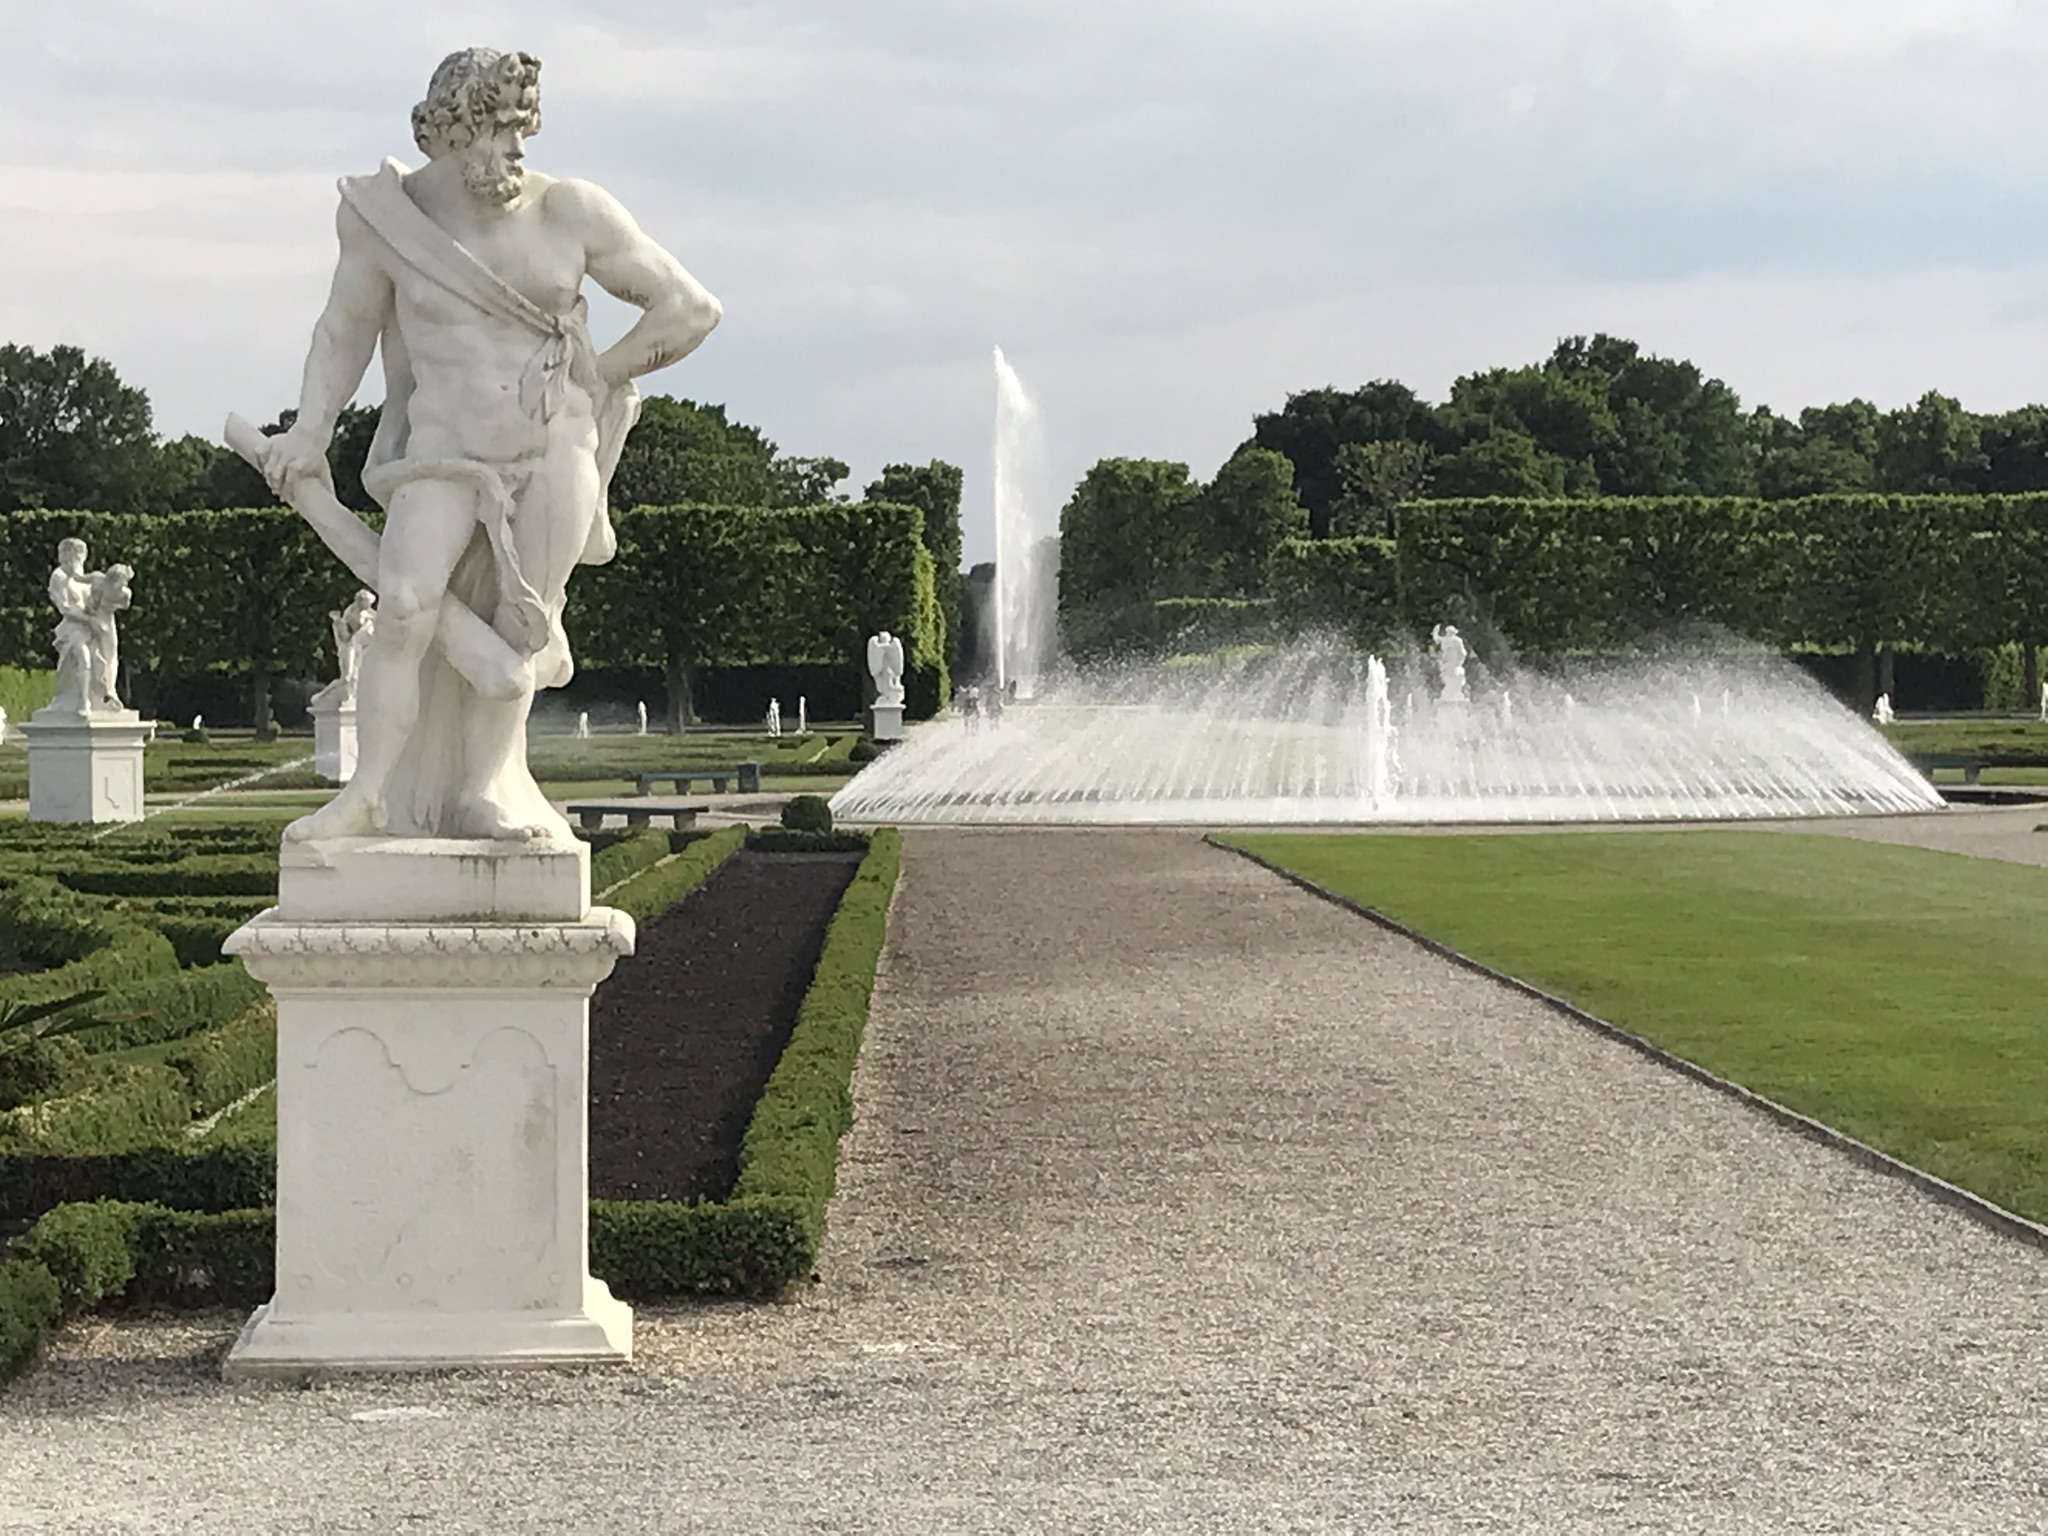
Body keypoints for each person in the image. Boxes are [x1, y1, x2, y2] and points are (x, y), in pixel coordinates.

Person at [252, 47, 721, 841]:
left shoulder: (569, 211)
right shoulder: (385, 219)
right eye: (498, 130)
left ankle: (483, 792)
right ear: (447, 131)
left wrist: (598, 375)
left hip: (553, 453)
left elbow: (691, 308)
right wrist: (309, 431)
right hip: (442, 451)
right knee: (402, 608)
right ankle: (367, 795)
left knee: (520, 629)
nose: (516, 148)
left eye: (521, 130)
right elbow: (344, 329)